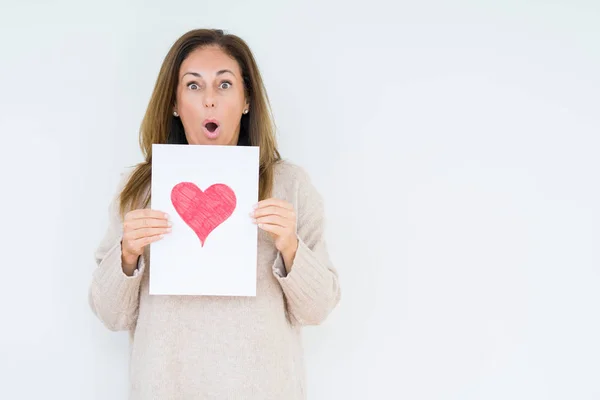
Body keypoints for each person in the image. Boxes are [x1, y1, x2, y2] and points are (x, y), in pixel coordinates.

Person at [88, 28, 341, 399]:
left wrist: (291, 248)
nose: (209, 99)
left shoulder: (291, 185)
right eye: (193, 85)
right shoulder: (139, 190)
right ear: (174, 102)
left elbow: (319, 309)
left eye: (224, 85)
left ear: (246, 100)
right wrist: (127, 255)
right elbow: (110, 316)